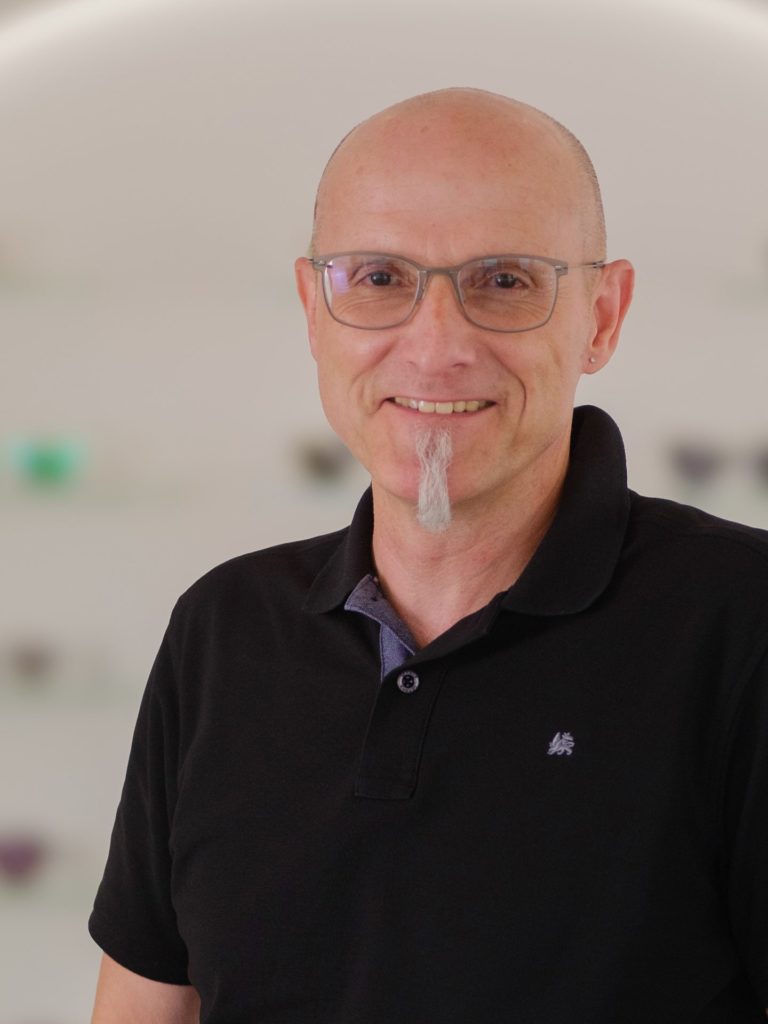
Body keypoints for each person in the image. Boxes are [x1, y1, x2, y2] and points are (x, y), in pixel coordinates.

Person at [88, 88, 768, 1023]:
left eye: (505, 281)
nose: (437, 346)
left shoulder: (743, 624)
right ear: (314, 310)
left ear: (603, 317)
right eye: (378, 277)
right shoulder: (223, 627)